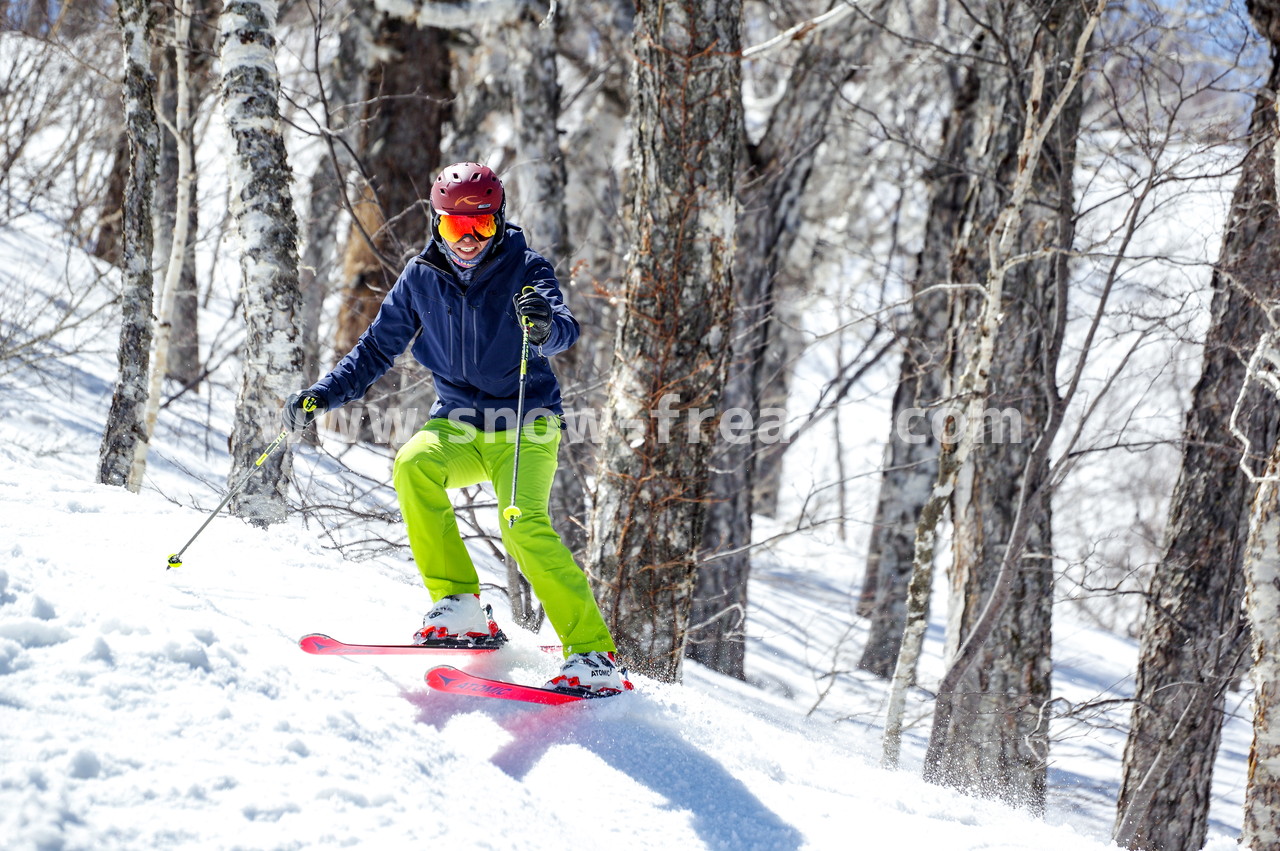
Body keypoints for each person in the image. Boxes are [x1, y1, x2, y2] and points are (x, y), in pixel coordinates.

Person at [283, 162, 628, 696]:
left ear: (499, 221)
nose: (467, 241)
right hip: (459, 423)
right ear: (436, 224)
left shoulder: (526, 270)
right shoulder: (421, 278)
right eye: (454, 228)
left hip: (525, 423)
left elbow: (563, 329)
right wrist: (325, 392)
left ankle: (593, 655)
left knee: (521, 523)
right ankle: (462, 607)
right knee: (413, 464)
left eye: (481, 228)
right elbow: (377, 347)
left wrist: (544, 325)